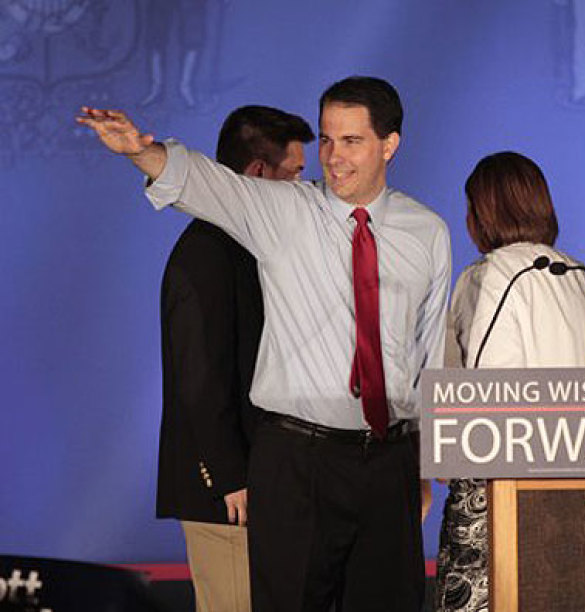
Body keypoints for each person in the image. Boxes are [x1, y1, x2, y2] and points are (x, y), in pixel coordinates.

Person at [77, 75, 451, 612]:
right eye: (326, 140)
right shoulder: (284, 210)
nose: (334, 158)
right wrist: (142, 151)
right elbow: (204, 182)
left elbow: (427, 351)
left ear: (389, 144)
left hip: (388, 459)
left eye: (352, 141)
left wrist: (422, 461)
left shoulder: (427, 232)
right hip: (298, 459)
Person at [435, 151, 585, 612]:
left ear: (482, 213)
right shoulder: (582, 277)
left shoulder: (485, 275)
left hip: (498, 483)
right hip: (578, 485)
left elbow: (464, 390)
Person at [157, 105, 314, 612]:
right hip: (228, 496)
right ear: (257, 174)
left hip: (264, 485)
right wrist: (231, 477)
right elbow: (199, 379)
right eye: (296, 174)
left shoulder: (251, 250)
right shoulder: (206, 254)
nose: (305, 188)